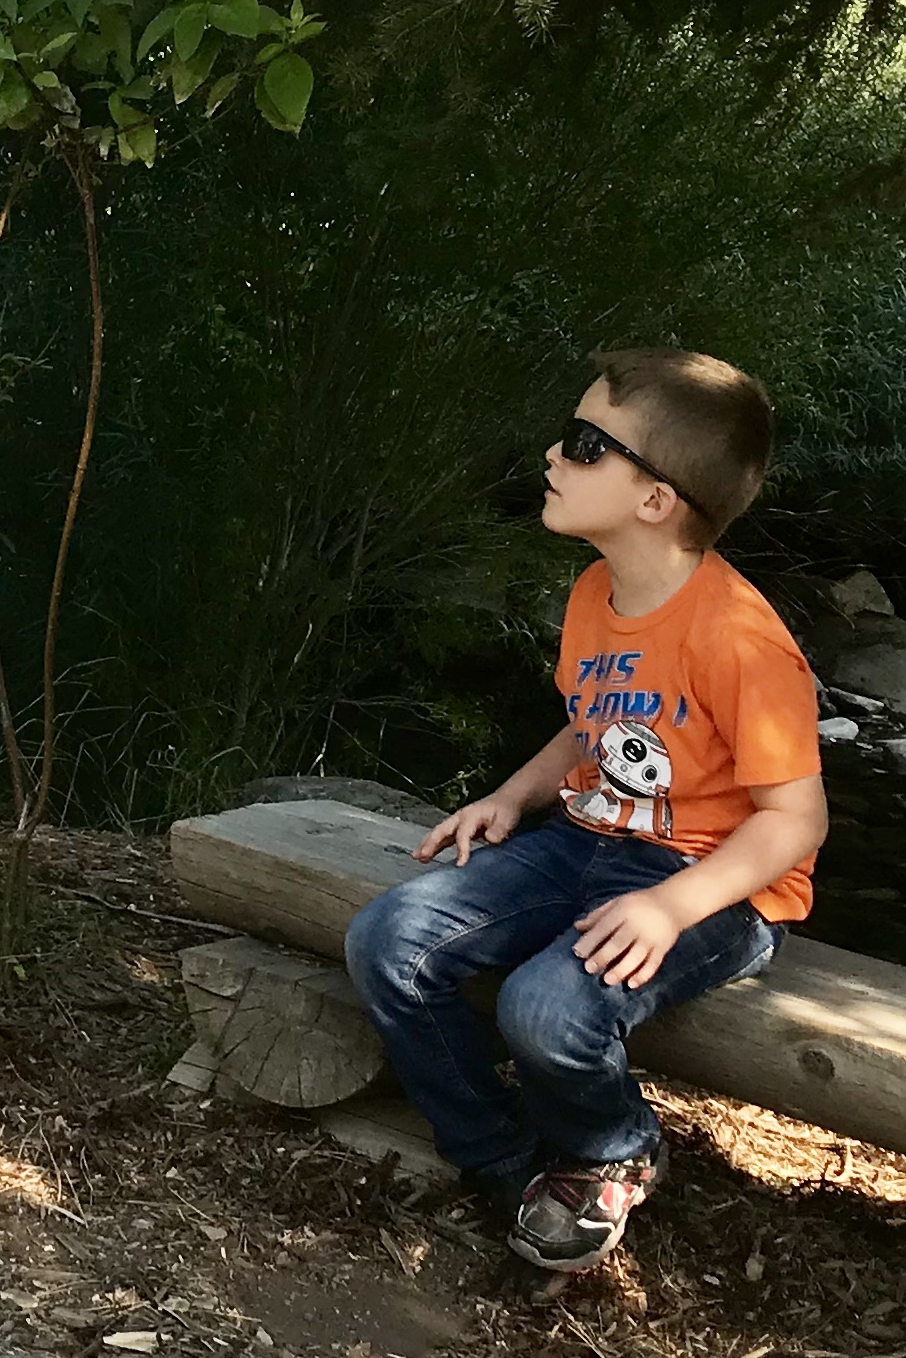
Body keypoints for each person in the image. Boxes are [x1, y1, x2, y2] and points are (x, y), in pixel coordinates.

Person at [343, 349, 826, 1273]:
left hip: (713, 882)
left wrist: (669, 906)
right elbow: (590, 727)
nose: (553, 455)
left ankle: (615, 1149)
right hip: (583, 840)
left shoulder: (738, 638)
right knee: (389, 941)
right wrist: (510, 796)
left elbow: (794, 820)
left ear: (654, 498)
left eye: (584, 443)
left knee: (545, 1006)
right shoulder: (596, 592)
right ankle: (506, 1161)